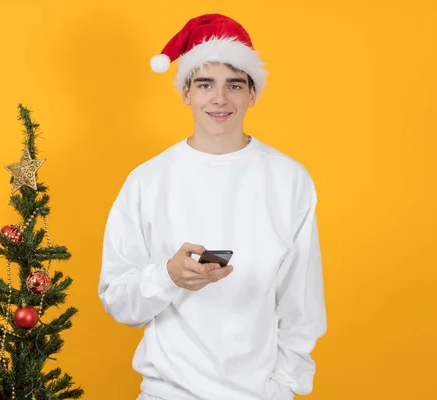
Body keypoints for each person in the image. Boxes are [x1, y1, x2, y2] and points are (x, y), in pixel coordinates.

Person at [98, 13, 327, 400]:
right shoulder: (147, 180)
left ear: (252, 94)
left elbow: (301, 303)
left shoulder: (289, 179)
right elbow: (118, 300)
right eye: (205, 84)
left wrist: (284, 388)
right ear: (186, 92)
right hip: (167, 392)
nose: (219, 98)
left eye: (234, 85)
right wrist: (168, 276)